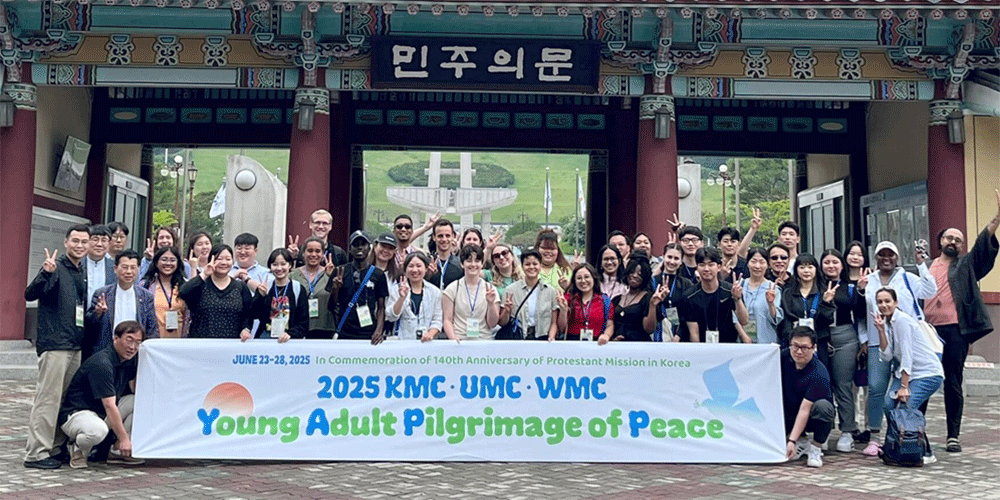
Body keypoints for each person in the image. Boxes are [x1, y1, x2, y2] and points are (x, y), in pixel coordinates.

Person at [922, 189, 999, 453]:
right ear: (940, 240)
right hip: (926, 331)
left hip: (954, 330)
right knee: (922, 378)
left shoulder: (966, 265)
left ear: (962, 246)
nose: (953, 241)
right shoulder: (927, 267)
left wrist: (995, 221)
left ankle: (952, 435)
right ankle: (916, 429)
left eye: (958, 239)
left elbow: (982, 250)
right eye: (949, 237)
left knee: (952, 380)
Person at [23, 224, 90, 469]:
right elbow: (30, 294)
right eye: (75, 241)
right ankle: (36, 453)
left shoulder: (79, 270)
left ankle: (54, 447)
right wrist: (45, 272)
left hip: (74, 342)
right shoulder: (55, 267)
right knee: (48, 399)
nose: (80, 245)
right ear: (65, 242)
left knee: (64, 400)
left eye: (84, 241)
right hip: (55, 344)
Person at [861, 240, 936, 457]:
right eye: (881, 254)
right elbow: (863, 311)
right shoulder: (869, 279)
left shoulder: (906, 277)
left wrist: (922, 264)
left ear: (897, 257)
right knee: (876, 388)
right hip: (879, 341)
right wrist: (864, 337)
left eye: (890, 254)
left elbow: (930, 290)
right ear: (876, 257)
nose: (886, 258)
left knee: (905, 391)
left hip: (906, 343)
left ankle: (909, 434)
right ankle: (875, 436)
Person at [873, 287, 945, 464]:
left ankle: (923, 452)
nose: (884, 305)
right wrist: (881, 331)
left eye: (887, 301)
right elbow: (887, 356)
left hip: (926, 373)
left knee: (906, 410)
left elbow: (907, 355)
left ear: (896, 303)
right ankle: (896, 447)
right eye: (880, 302)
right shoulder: (888, 323)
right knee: (889, 405)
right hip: (907, 373)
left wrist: (904, 387)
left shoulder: (903, 321)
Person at [58, 321, 144, 468]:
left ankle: (116, 451)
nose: (132, 347)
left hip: (101, 414)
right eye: (129, 340)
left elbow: (134, 389)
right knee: (98, 430)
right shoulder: (102, 363)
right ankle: (76, 447)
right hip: (77, 414)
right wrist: (124, 438)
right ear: (115, 338)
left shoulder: (129, 360)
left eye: (138, 342)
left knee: (138, 402)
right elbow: (109, 405)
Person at [819, 249, 867, 452]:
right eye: (826, 262)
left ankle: (847, 430)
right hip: (821, 336)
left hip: (846, 337)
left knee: (844, 385)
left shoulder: (848, 286)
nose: (831, 266)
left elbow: (860, 310)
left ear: (842, 265)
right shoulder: (816, 285)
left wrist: (861, 291)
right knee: (822, 383)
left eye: (835, 262)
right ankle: (822, 432)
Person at [85, 250, 158, 357]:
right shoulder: (102, 293)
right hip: (106, 351)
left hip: (135, 352)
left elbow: (152, 329)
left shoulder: (146, 297)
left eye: (133, 268)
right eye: (124, 267)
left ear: (138, 269)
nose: (128, 272)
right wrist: (98, 313)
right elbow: (89, 325)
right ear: (115, 268)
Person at [781, 327, 835, 468]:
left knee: (823, 407)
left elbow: (805, 410)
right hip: (790, 411)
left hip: (812, 416)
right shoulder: (783, 357)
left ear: (814, 348)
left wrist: (791, 441)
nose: (799, 352)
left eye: (804, 348)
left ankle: (816, 448)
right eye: (795, 346)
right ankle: (802, 441)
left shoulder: (819, 373)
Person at [179, 244, 255, 340]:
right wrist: (204, 274)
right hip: (201, 345)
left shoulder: (240, 287)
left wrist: (246, 329)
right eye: (219, 259)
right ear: (211, 260)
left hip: (231, 346)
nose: (224, 263)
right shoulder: (201, 284)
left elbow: (248, 314)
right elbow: (183, 292)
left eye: (228, 259)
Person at [328, 231, 389, 344]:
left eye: (363, 244)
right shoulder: (340, 271)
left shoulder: (378, 274)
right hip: (344, 332)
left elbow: (381, 307)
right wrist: (335, 289)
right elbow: (331, 306)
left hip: (369, 333)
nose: (359, 248)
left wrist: (379, 330)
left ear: (369, 248)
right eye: (355, 245)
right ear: (350, 249)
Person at [681, 248, 749, 343]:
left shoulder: (730, 290)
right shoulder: (689, 296)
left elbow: (744, 321)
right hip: (703, 349)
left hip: (728, 347)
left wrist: (737, 299)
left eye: (711, 264)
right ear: (697, 268)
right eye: (702, 265)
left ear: (719, 267)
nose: (706, 269)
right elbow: (694, 334)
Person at [779, 254, 836, 364]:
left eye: (810, 267)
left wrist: (825, 303)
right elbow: (786, 319)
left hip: (818, 343)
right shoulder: (788, 293)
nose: (806, 271)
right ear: (796, 270)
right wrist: (793, 339)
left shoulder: (824, 292)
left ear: (816, 270)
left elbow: (827, 320)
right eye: (802, 267)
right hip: (795, 345)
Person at [442, 245, 500, 341]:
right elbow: (447, 320)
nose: (473, 265)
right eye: (469, 261)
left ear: (482, 264)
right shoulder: (452, 289)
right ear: (462, 264)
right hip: (459, 341)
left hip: (484, 341)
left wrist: (491, 304)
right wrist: (453, 338)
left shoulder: (490, 289)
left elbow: (492, 323)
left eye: (477, 261)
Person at [500, 249, 560, 341]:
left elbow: (554, 322)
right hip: (518, 339)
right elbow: (502, 323)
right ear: (522, 266)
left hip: (542, 339)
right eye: (527, 264)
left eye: (535, 264)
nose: (531, 267)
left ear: (540, 266)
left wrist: (551, 338)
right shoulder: (510, 290)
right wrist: (507, 311)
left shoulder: (551, 291)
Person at [387, 252, 445, 341]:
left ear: (426, 268)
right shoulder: (397, 289)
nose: (414, 270)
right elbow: (391, 317)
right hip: (402, 342)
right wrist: (401, 298)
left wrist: (430, 334)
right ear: (405, 269)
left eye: (418, 266)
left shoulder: (435, 292)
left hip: (427, 343)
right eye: (410, 266)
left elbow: (437, 320)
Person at [606, 255, 665, 342]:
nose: (634, 276)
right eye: (632, 272)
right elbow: (610, 325)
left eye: (640, 274)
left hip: (639, 348)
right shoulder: (617, 299)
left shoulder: (648, 298)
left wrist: (653, 305)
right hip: (617, 347)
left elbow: (649, 329)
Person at [255, 249, 309, 342]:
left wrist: (291, 334)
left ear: (290, 265)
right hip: (266, 338)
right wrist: (260, 296)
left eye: (283, 264)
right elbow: (254, 315)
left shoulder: (298, 288)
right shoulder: (265, 288)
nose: (279, 268)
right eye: (275, 265)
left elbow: (304, 321)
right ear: (270, 267)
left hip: (290, 339)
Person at [289, 237, 337, 339]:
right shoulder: (293, 275)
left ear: (323, 254)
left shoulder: (330, 273)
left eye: (317, 251)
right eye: (310, 251)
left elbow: (336, 301)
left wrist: (331, 277)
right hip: (298, 328)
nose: (314, 255)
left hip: (324, 329)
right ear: (303, 253)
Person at [139, 246, 188, 338]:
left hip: (180, 343)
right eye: (164, 260)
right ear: (156, 262)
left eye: (172, 260)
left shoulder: (184, 286)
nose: (168, 263)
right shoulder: (145, 286)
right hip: (154, 343)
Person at [738, 247, 783, 344]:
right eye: (753, 261)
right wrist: (743, 336)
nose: (757, 266)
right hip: (742, 343)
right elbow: (734, 315)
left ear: (768, 265)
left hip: (766, 343)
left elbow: (776, 320)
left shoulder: (773, 288)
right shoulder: (740, 285)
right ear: (747, 263)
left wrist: (771, 304)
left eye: (762, 262)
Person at [558, 264, 614, 341]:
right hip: (572, 343)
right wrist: (563, 310)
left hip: (597, 343)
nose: (583, 281)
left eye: (587, 277)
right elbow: (562, 328)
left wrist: (606, 335)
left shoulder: (604, 300)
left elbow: (610, 325)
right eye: (579, 278)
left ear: (594, 278)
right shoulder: (568, 298)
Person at [651, 243, 693, 342]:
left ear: (681, 261)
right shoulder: (652, 281)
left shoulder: (686, 284)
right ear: (663, 257)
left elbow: (688, 313)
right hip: (655, 333)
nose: (672, 261)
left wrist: (679, 335)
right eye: (669, 257)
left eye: (676, 258)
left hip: (678, 335)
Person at [426, 219, 464, 290]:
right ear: (434, 237)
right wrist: (427, 275)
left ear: (453, 236)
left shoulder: (460, 264)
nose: (444, 239)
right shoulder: (427, 262)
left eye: (447, 235)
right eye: (440, 236)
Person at [85, 224, 115, 304]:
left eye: (104, 240)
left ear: (109, 244)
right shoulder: (78, 264)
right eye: (95, 239)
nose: (99, 244)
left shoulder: (114, 267)